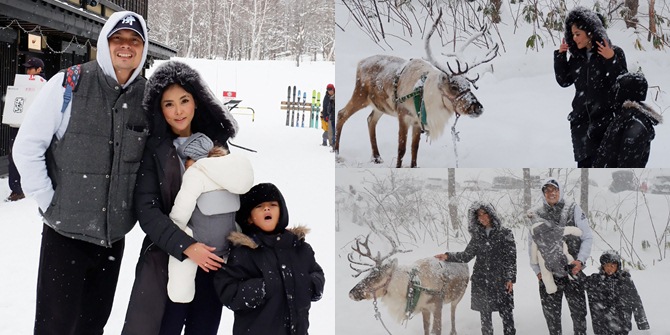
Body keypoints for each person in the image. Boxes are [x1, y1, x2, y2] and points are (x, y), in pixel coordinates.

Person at [12, 11, 148, 334]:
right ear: (105, 43)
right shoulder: (69, 83)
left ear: (143, 50)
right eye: (118, 39)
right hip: (65, 238)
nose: (126, 47)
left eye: (134, 41)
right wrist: (50, 201)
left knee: (92, 326)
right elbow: (26, 147)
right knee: (54, 327)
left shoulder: (148, 97)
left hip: (112, 241)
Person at [122, 60, 239, 335]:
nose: (178, 111)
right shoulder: (155, 150)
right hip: (168, 257)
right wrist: (186, 246)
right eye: (169, 104)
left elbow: (235, 196)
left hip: (213, 261)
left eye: (184, 100)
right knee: (164, 327)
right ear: (159, 110)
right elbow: (147, 209)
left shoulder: (216, 146)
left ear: (196, 102)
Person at [214, 183, 325, 335]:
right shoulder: (243, 252)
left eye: (272, 205)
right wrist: (262, 287)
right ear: (250, 218)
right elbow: (228, 290)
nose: (267, 209)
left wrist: (309, 283)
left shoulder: (300, 249)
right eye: (259, 206)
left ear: (281, 211)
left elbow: (317, 273)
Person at [167, 132, 253, 303]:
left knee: (181, 267)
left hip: (198, 240)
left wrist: (174, 229)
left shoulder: (195, 174)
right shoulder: (230, 175)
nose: (185, 165)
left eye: (187, 160)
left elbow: (183, 206)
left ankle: (180, 293)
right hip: (227, 241)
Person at [554, 6, 627, 167]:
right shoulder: (576, 58)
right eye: (572, 34)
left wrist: (611, 60)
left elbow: (623, 85)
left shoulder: (613, 52)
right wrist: (560, 56)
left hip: (605, 123)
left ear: (590, 32)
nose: (574, 38)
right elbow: (564, 81)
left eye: (578, 34)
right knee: (584, 168)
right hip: (580, 124)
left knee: (605, 168)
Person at [435, 202, 517, 335]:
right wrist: (447, 256)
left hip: (501, 281)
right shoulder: (478, 236)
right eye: (479, 215)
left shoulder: (505, 233)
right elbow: (466, 255)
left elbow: (511, 258)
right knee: (485, 321)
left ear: (491, 214)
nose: (483, 217)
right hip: (482, 281)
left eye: (485, 213)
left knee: (507, 317)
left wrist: (509, 278)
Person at [527, 179, 593, 335]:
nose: (551, 193)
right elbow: (531, 243)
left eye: (554, 189)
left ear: (560, 191)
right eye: (547, 190)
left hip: (572, 270)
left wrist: (580, 260)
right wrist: (537, 270)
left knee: (579, 314)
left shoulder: (573, 209)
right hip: (548, 272)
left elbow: (587, 237)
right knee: (552, 317)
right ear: (543, 194)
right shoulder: (536, 214)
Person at [593, 72, 662, 167]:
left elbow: (628, 164)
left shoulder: (635, 122)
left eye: (617, 88)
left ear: (625, 91)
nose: (614, 92)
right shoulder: (624, 116)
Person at [5, 57, 46, 202]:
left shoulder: (44, 86)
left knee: (24, 156)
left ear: (39, 70)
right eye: (27, 68)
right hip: (18, 124)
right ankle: (17, 188)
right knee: (15, 156)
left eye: (31, 68)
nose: (28, 71)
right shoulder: (23, 83)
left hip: (30, 126)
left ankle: (21, 188)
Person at [585, 250, 650, 334]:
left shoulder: (625, 280)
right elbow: (581, 282)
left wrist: (641, 321)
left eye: (613, 265)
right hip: (601, 324)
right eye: (607, 265)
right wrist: (574, 271)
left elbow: (635, 300)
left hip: (622, 323)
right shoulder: (596, 279)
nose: (609, 268)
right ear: (602, 266)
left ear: (618, 266)